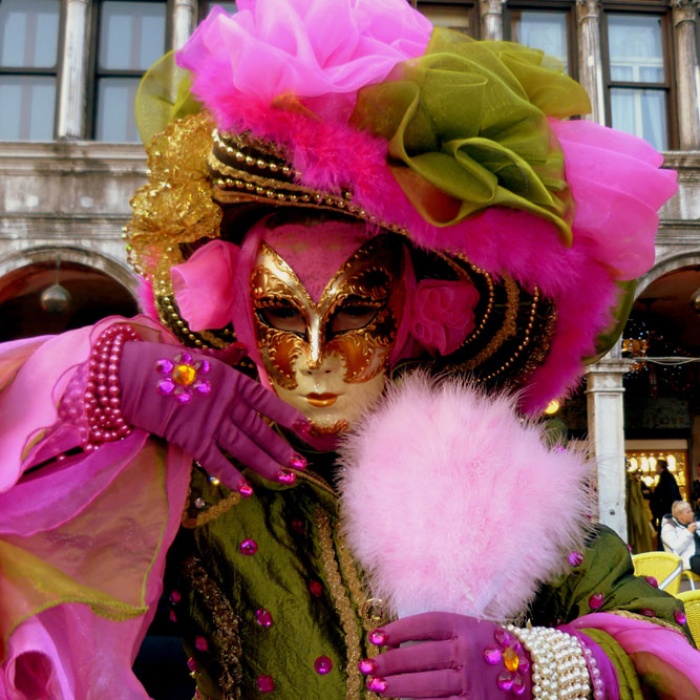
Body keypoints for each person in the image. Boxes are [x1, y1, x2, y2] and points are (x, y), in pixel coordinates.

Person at [1, 1, 699, 699]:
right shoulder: (196, 473)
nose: (315, 356)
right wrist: (101, 379)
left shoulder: (496, 470)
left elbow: (658, 636)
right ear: (236, 311)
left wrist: (540, 667)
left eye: (357, 311)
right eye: (279, 312)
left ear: (418, 315)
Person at [661, 500, 700, 574]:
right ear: (679, 515)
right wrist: (688, 533)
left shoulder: (693, 524)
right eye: (688, 512)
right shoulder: (669, 528)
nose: (692, 514)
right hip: (687, 560)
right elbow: (674, 550)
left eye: (691, 511)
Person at [651, 458, 682, 548]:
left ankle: (663, 548)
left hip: (666, 510)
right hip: (667, 509)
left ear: (660, 466)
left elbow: (668, 495)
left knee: (665, 531)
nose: (655, 468)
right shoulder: (667, 477)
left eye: (656, 466)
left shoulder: (666, 478)